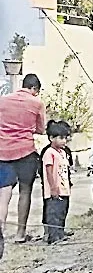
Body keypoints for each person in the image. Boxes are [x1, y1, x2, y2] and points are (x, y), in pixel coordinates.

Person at [0, 74, 46, 249]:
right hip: (25, 152)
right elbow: (41, 129)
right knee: (25, 191)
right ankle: (20, 233)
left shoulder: (3, 100)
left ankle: (1, 229)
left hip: (2, 151)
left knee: (3, 193)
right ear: (35, 89)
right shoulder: (36, 103)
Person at [40, 121, 74, 241]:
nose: (64, 141)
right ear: (51, 138)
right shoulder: (49, 153)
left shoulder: (63, 152)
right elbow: (49, 171)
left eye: (65, 138)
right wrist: (53, 187)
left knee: (62, 212)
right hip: (54, 190)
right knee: (53, 213)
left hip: (64, 188)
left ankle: (61, 233)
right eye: (60, 138)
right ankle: (53, 236)